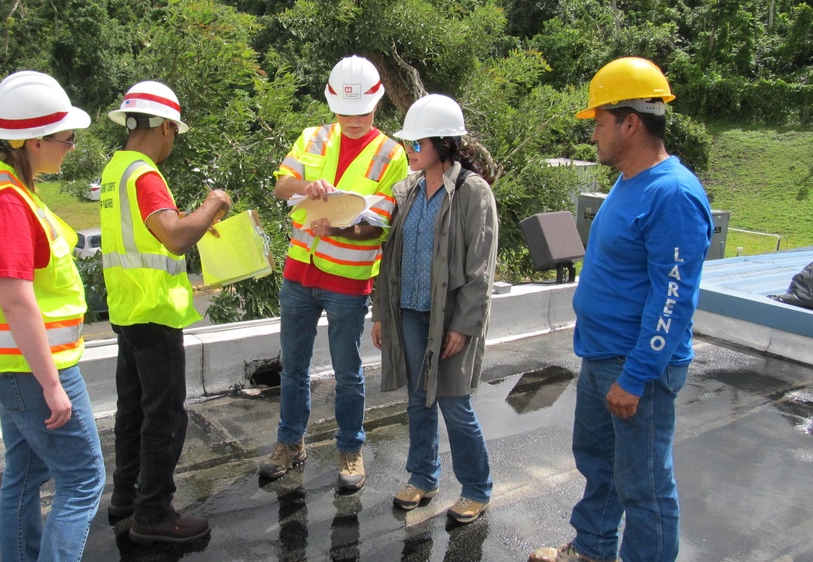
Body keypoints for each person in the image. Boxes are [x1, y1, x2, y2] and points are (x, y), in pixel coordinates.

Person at [530, 57, 713, 562]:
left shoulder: (672, 194)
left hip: (636, 367)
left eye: (599, 122)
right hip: (601, 355)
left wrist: (636, 376)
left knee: (645, 488)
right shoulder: (630, 182)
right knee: (600, 466)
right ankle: (592, 548)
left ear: (630, 122)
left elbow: (673, 300)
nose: (593, 134)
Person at [0, 70, 105, 562]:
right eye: (67, 138)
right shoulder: (4, 201)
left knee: (24, 475)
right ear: (34, 141)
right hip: (31, 368)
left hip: (14, 365)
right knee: (83, 480)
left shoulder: (8, 186)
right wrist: (51, 384)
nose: (72, 146)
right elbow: (16, 299)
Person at [260, 55, 408, 492]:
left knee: (348, 371)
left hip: (347, 281)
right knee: (294, 367)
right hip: (299, 275)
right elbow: (280, 186)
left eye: (362, 111)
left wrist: (344, 225)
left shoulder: (391, 155)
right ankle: (291, 443)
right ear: (331, 104)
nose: (354, 120)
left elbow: (381, 225)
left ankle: (350, 450)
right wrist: (306, 187)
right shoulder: (313, 138)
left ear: (377, 104)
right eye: (345, 112)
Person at [100, 81, 232, 544]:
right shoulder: (144, 174)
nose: (173, 140)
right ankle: (153, 512)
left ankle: (126, 496)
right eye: (174, 130)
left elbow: (147, 237)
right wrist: (214, 203)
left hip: (127, 307)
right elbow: (174, 236)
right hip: (155, 312)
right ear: (164, 127)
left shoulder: (116, 169)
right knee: (165, 416)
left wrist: (198, 225)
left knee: (133, 409)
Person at [370, 94, 499, 524]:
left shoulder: (472, 192)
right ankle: (423, 477)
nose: (409, 151)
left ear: (443, 144)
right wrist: (382, 314)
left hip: (449, 317)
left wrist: (463, 325)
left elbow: (481, 268)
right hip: (408, 312)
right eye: (408, 144)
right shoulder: (406, 191)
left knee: (454, 403)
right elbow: (388, 257)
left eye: (416, 144)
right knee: (417, 401)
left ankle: (477, 488)